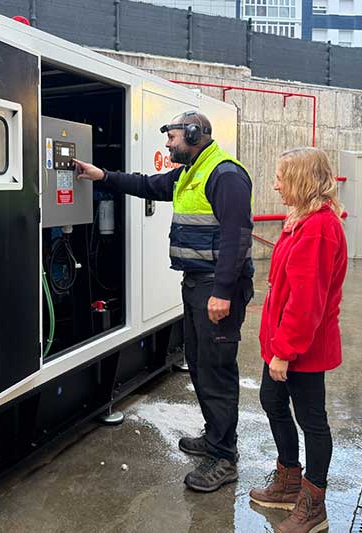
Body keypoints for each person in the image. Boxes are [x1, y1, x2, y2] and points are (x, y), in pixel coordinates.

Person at [74, 111, 254, 492]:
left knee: (217, 370)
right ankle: (216, 437)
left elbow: (237, 238)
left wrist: (223, 293)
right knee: (200, 365)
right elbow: (148, 185)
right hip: (197, 285)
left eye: (172, 137)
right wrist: (102, 176)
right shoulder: (190, 172)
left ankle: (224, 457)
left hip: (216, 289)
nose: (167, 144)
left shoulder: (225, 175)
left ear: (193, 134)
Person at [249, 148, 347, 533]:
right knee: (271, 400)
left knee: (312, 420)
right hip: (282, 343)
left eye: (281, 178)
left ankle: (313, 504)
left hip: (301, 348)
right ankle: (289, 481)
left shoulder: (319, 227)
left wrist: (285, 352)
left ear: (302, 180)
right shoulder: (301, 220)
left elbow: (306, 300)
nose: (275, 185)